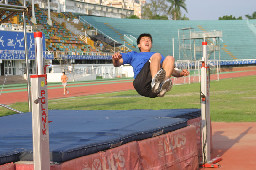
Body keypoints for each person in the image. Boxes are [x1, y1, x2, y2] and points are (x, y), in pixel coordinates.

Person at [112, 33, 189, 98]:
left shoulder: (158, 57)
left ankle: (162, 86)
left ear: (151, 44)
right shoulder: (133, 55)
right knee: (157, 55)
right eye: (144, 40)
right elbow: (117, 63)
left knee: (170, 58)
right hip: (141, 83)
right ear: (139, 45)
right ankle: (155, 82)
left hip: (155, 92)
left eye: (149, 40)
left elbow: (171, 70)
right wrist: (115, 59)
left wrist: (181, 73)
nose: (147, 41)